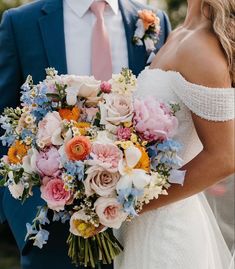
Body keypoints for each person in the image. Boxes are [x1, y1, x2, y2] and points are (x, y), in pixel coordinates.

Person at [0, 0, 171, 268]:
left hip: (139, 234)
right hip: (51, 237)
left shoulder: (154, 23)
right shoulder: (21, 23)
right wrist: (20, 219)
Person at [114, 0, 235, 268]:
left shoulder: (203, 45)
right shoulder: (181, 32)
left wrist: (130, 204)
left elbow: (224, 157)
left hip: (168, 234)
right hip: (142, 228)